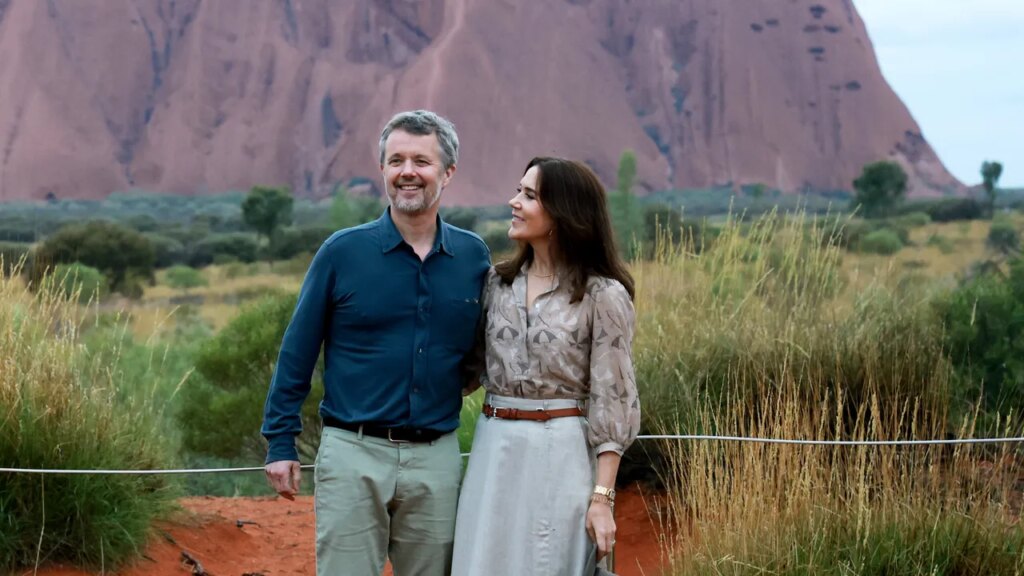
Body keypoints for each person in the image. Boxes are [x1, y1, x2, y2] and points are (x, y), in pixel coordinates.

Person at [261, 110, 490, 576]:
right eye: (396, 160)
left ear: (447, 173)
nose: (408, 172)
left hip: (437, 456)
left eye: (421, 162)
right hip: (353, 453)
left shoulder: (472, 256)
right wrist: (280, 441)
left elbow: (482, 348)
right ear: (382, 170)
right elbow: (297, 352)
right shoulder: (342, 253)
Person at [451, 157, 641, 575]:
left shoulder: (602, 295)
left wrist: (601, 500)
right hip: (493, 449)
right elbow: (463, 372)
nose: (513, 201)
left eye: (529, 195)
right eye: (519, 191)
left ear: (563, 213)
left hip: (562, 453)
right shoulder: (495, 285)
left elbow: (615, 398)